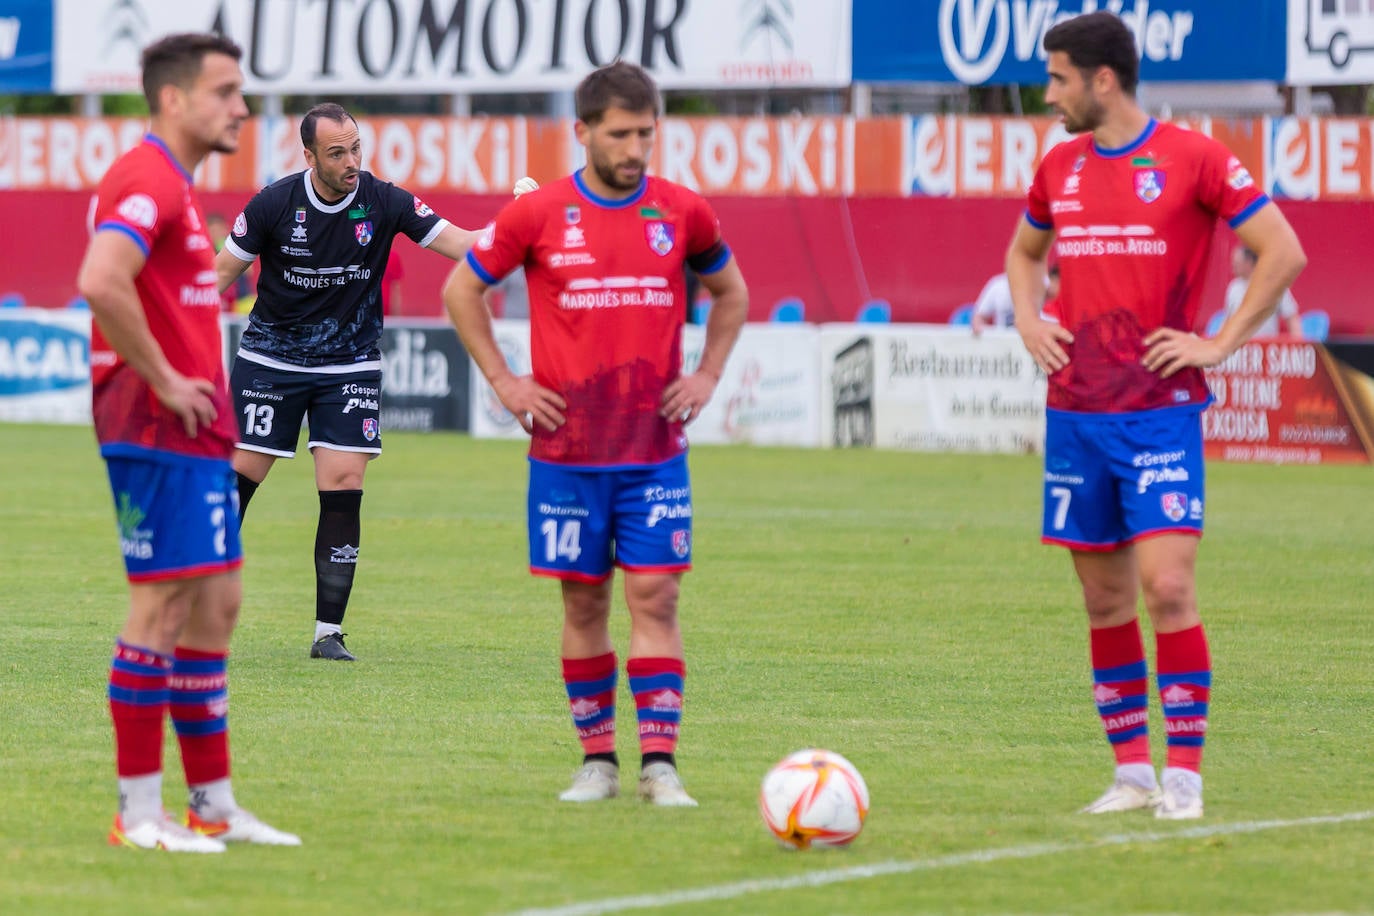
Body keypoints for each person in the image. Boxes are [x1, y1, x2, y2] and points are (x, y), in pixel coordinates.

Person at [1005, 12, 1305, 821]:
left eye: (1059, 78)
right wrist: (1029, 318)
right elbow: (1024, 254)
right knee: (1103, 602)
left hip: (1160, 413)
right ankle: (1131, 775)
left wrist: (1222, 343)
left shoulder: (1195, 158)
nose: (1048, 94)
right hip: (1076, 412)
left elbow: (1283, 250)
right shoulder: (1059, 166)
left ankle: (1184, 778)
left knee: (1167, 587)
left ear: (1104, 80)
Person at [442, 61, 748, 807]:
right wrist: (508, 383)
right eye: (620, 134)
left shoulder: (684, 211)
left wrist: (707, 375)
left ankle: (661, 765)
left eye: (647, 132)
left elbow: (731, 292)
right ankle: (598, 763)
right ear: (581, 132)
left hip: (653, 453)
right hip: (566, 455)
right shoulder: (537, 215)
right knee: (583, 604)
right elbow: (461, 289)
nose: (636, 147)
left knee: (655, 597)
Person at [75, 32, 300, 852]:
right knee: (162, 605)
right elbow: (100, 279)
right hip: (152, 422)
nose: (240, 107)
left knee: (216, 605)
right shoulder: (145, 176)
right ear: (175, 99)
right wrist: (168, 380)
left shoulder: (176, 185)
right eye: (226, 91)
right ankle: (138, 814)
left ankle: (211, 803)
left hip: (201, 430)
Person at [215, 103, 497, 661]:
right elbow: (218, 273)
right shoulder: (273, 203)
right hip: (270, 359)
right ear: (309, 156)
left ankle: (328, 633)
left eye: (356, 149)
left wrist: (518, 228)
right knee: (239, 479)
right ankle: (190, 603)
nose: (350, 162)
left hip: (349, 362)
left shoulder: (385, 199)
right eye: (337, 153)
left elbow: (464, 244)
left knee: (344, 486)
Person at [1218, 244, 1302, 338]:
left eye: (1236, 263)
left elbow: (1291, 317)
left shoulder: (1275, 285)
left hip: (1264, 347)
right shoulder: (1233, 287)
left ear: (1248, 262)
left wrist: (1298, 344)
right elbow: (1227, 320)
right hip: (1238, 349)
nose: (1233, 267)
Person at [207, 212, 252, 311]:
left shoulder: (232, 247)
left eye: (219, 230)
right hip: (218, 299)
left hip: (240, 301)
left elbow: (248, 271)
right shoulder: (204, 250)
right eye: (213, 231)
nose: (216, 234)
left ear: (225, 229)